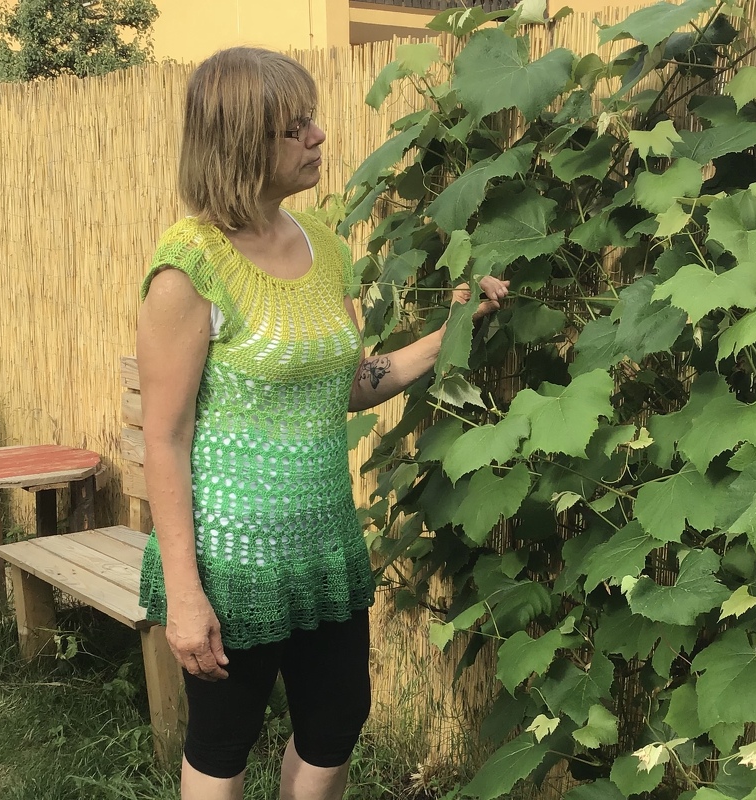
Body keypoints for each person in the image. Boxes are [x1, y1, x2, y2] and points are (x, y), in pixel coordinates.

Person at [136, 46, 508, 800]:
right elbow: (165, 439)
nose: (319, 137)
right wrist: (185, 594)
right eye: (293, 128)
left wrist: (453, 325)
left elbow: (355, 385)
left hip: (324, 550)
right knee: (221, 746)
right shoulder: (189, 268)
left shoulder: (326, 251)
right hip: (232, 563)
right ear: (241, 143)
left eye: (310, 121)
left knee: (336, 727)